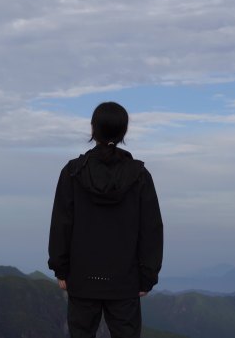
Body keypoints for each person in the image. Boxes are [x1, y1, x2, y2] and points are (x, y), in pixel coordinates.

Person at [48, 102, 163, 338]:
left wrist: (61, 268)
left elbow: (61, 223)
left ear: (93, 129)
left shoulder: (72, 172)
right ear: (124, 131)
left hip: (81, 278)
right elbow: (150, 229)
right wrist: (147, 276)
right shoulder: (140, 176)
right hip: (125, 281)